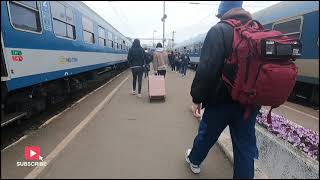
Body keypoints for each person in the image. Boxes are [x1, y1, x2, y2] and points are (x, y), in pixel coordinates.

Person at [185, 1, 260, 179]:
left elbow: (207, 69)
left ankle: (194, 161)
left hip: (221, 101)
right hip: (248, 103)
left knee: (207, 135)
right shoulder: (256, 29)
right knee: (245, 148)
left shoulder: (219, 30)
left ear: (223, 13)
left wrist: (197, 97)